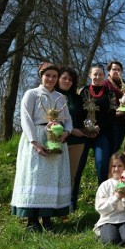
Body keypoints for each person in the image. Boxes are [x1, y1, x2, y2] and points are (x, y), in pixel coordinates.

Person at [11, 63, 73, 232]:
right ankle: (32, 220)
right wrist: (35, 143)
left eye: (54, 76)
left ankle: (47, 218)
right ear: (41, 76)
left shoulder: (61, 97)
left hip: (56, 137)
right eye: (48, 75)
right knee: (34, 176)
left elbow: (68, 119)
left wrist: (66, 133)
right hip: (37, 135)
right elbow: (26, 119)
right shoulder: (32, 94)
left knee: (53, 177)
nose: (51, 79)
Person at [73, 65, 117, 209]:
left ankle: (103, 201)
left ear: (104, 77)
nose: (97, 77)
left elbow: (112, 114)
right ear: (90, 76)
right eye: (95, 74)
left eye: (100, 75)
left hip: (101, 134)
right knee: (78, 167)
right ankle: (71, 202)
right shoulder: (82, 92)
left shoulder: (109, 94)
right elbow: (77, 112)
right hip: (83, 135)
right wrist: (82, 129)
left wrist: (99, 127)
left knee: (101, 164)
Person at [55, 66, 87, 208]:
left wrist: (89, 128)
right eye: (64, 78)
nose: (67, 81)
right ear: (58, 79)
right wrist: (71, 130)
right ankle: (51, 206)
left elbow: (84, 117)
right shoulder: (52, 95)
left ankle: (68, 206)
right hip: (57, 140)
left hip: (77, 141)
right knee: (55, 175)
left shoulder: (77, 98)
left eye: (70, 79)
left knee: (72, 176)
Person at [93, 154, 125, 245]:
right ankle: (103, 234)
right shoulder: (105, 185)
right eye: (114, 166)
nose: (116, 169)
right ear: (110, 167)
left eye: (120, 166)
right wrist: (117, 196)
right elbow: (100, 208)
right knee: (111, 241)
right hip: (108, 219)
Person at [105, 60, 125, 153]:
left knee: (116, 147)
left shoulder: (124, 83)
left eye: (119, 69)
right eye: (114, 69)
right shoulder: (106, 84)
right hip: (111, 120)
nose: (117, 71)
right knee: (111, 148)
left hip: (123, 120)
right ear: (109, 71)